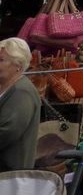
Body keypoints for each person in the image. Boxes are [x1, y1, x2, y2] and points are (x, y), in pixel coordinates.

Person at [0, 37, 40, 171]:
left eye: (1, 60)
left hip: (11, 175)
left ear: (18, 65)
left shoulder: (22, 93)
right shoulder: (6, 87)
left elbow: (7, 131)